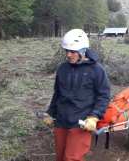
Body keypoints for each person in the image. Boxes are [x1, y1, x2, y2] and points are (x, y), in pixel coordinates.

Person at [43, 29, 111, 161]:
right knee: (61, 157)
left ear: (83, 51)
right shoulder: (62, 68)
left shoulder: (96, 70)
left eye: (72, 51)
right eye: (66, 51)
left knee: (72, 158)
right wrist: (50, 113)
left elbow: (103, 96)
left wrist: (94, 116)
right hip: (62, 121)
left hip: (81, 123)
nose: (68, 55)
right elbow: (57, 93)